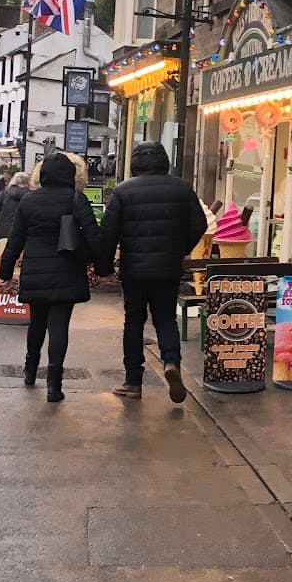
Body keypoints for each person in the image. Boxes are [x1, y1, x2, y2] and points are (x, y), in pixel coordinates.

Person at [100, 141, 207, 404]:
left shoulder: (123, 191)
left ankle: (133, 381)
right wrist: (180, 248)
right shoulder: (182, 189)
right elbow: (199, 224)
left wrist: (103, 266)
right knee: (165, 319)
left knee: (133, 321)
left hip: (134, 270)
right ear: (164, 161)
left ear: (135, 162)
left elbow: (108, 233)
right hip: (168, 268)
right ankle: (171, 362)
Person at [0, 153, 109, 403]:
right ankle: (54, 386)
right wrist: (102, 267)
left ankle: (29, 370)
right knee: (59, 326)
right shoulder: (75, 200)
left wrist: (5, 272)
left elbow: (15, 241)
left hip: (35, 271)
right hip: (66, 271)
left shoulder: (29, 201)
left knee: (37, 322)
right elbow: (93, 236)